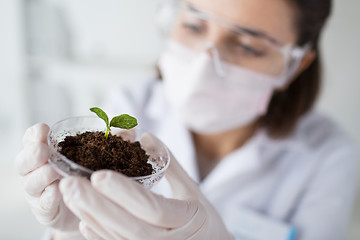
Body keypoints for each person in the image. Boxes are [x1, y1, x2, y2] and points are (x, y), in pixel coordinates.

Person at [15, 0, 359, 239]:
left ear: (295, 66)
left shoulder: (328, 156)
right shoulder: (130, 106)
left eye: (249, 47)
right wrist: (72, 231)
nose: (203, 64)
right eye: (194, 25)